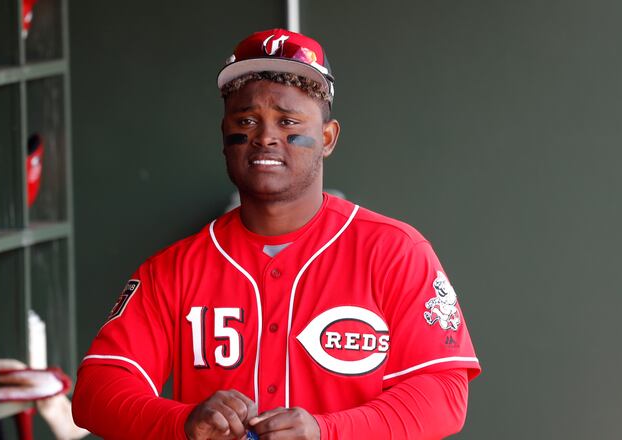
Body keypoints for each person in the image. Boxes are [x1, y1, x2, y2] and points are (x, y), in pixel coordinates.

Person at [72, 29, 481, 440]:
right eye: (246, 121)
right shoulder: (175, 268)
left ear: (327, 137)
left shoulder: (394, 251)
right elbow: (96, 391)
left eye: (287, 121)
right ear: (224, 137)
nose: (265, 136)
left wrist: (326, 433)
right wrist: (181, 423)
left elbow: (443, 394)